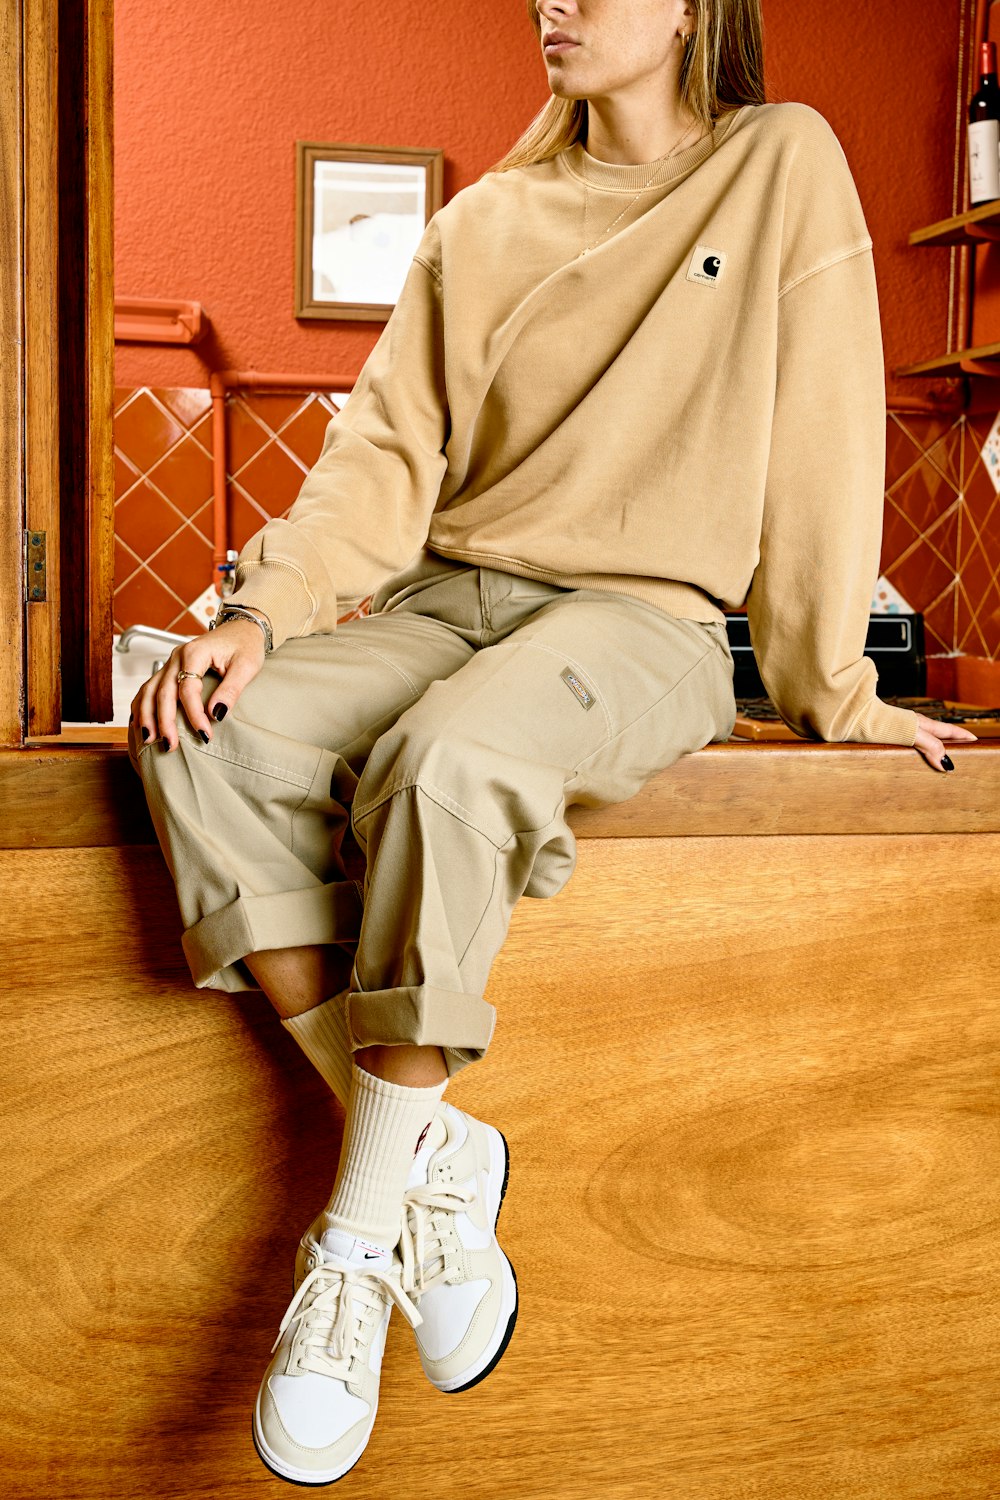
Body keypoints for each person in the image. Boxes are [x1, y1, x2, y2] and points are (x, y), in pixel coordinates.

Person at [127, 0, 977, 1486]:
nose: (557, 3)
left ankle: (348, 1251)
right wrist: (260, 612)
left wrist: (830, 684)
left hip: (644, 621)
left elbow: (831, 429)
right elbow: (381, 461)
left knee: (448, 762)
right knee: (201, 731)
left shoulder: (781, 161)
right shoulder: (486, 222)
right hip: (446, 592)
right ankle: (428, 1162)